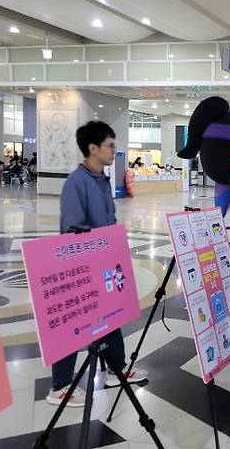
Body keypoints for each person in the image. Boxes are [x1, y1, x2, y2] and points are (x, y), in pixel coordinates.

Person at [47, 121, 147, 408]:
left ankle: (116, 368)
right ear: (93, 148)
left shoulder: (101, 179)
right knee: (74, 324)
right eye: (110, 145)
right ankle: (59, 385)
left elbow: (108, 222)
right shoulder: (76, 183)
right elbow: (73, 230)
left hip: (103, 262)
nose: (113, 150)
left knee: (109, 318)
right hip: (82, 267)